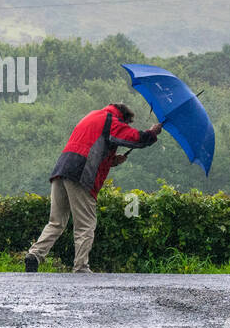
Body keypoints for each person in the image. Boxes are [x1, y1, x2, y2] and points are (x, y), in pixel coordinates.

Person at [24, 103, 162, 274]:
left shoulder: (93, 116)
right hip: (81, 173)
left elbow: (90, 147)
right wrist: (151, 133)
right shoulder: (112, 120)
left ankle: (34, 255)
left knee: (56, 221)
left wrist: (112, 161)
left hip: (62, 169)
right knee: (86, 224)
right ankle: (81, 267)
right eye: (127, 122)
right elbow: (134, 138)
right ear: (123, 117)